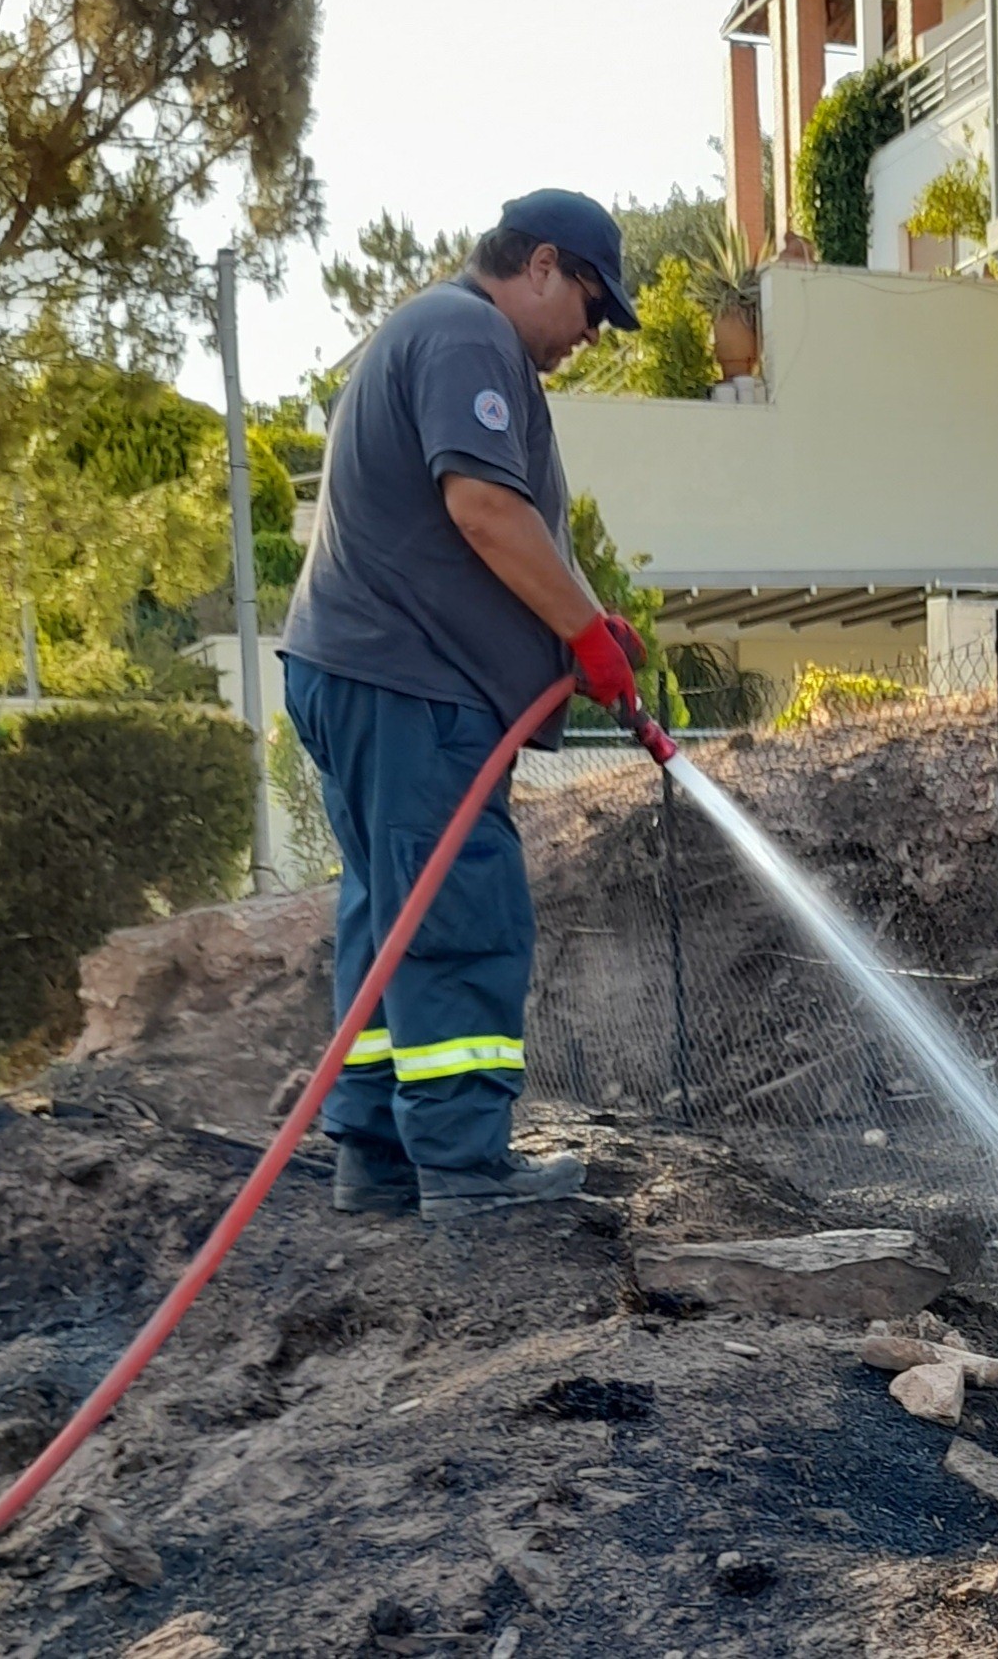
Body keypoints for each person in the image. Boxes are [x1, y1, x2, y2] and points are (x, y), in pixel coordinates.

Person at [281, 188, 650, 1221]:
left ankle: (381, 1153)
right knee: (459, 911)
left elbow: (482, 530)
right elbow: (484, 508)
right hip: (409, 686)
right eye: (589, 302)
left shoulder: (429, 330)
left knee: (387, 915)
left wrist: (578, 624)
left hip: (363, 675)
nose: (589, 333)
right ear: (538, 265)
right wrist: (580, 633)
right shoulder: (464, 332)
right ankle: (463, 1169)